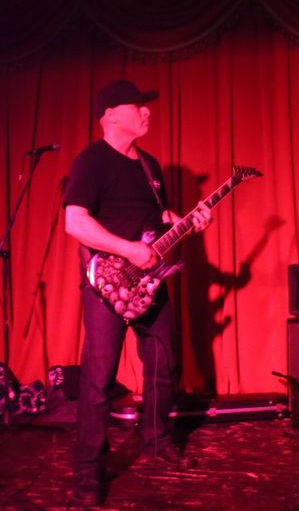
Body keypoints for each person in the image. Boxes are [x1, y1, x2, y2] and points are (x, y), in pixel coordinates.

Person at [63, 79, 212, 504]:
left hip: (150, 282)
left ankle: (156, 440)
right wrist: (128, 249)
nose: (147, 112)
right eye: (137, 106)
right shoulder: (91, 161)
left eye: (146, 106)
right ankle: (88, 469)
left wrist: (183, 220)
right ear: (110, 115)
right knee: (98, 378)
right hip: (107, 285)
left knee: (164, 364)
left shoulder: (150, 166)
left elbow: (156, 216)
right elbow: (76, 221)